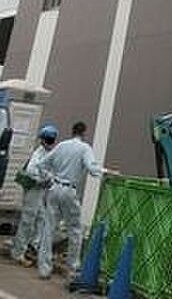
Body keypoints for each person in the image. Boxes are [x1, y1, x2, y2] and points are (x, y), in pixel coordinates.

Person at [36, 121, 106, 282]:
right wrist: (106, 172)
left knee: (49, 229)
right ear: (84, 133)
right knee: (75, 229)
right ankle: (72, 269)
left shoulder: (61, 146)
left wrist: (49, 177)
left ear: (72, 131)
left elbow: (41, 164)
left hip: (54, 188)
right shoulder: (84, 148)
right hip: (69, 191)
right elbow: (91, 167)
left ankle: (44, 269)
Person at [10, 123, 58, 265]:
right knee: (28, 221)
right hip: (33, 190)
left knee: (41, 219)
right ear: (42, 140)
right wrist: (43, 180)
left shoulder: (46, 153)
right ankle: (18, 253)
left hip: (39, 191)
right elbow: (32, 171)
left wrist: (49, 180)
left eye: (52, 140)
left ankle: (33, 246)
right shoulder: (39, 153)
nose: (50, 143)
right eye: (48, 140)